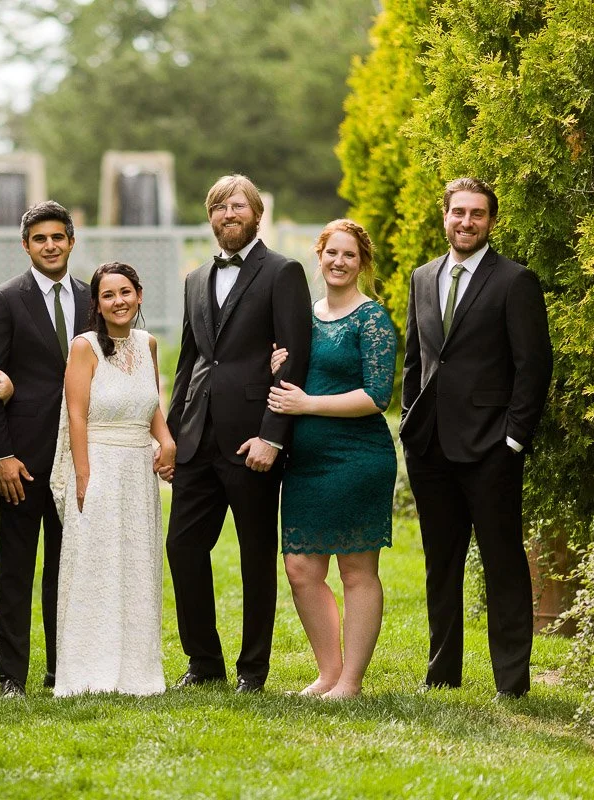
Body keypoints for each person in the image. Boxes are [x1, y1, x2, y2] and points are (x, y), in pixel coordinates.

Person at [400, 177, 552, 699]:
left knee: (503, 561)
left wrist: (514, 439)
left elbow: (533, 367)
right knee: (440, 564)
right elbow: (416, 361)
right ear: (443, 216)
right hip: (430, 449)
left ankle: (511, 682)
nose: (466, 222)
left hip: (491, 448)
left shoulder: (514, 281)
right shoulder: (422, 278)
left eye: (477, 214)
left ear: (491, 221)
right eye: (458, 212)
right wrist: (409, 423)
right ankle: (442, 674)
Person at [165, 174, 313, 694]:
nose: (229, 214)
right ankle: (204, 663)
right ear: (210, 217)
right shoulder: (194, 278)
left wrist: (273, 435)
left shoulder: (283, 272)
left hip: (252, 439)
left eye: (238, 206)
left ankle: (253, 670)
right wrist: (171, 432)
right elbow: (189, 361)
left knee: (255, 556)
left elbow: (295, 356)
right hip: (196, 439)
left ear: (256, 215)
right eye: (219, 207)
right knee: (182, 548)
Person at [268, 219, 397, 699]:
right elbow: (294, 375)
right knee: (301, 569)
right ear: (318, 256)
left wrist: (308, 404)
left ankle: (352, 682)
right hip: (305, 463)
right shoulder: (303, 316)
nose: (339, 262)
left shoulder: (372, 319)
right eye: (331, 253)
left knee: (356, 570)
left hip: (357, 458)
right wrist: (275, 368)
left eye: (350, 255)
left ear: (362, 263)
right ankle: (327, 672)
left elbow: (377, 395)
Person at [0, 200, 92, 697]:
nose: (50, 246)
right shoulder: (4, 300)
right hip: (22, 460)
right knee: (18, 570)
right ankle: (11, 677)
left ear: (71, 241)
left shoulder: (94, 297)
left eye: (58, 237)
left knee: (69, 568)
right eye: (40, 239)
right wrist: (1, 456)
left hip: (81, 457)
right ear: (26, 246)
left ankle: (61, 669)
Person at [50, 263, 175, 696]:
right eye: (108, 295)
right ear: (97, 305)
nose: (118, 301)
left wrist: (167, 441)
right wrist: (83, 475)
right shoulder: (84, 347)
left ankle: (137, 671)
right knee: (96, 567)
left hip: (139, 471)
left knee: (137, 565)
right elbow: (77, 415)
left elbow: (150, 403)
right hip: (99, 464)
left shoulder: (148, 343)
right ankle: (88, 669)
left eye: (125, 292)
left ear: (139, 294)